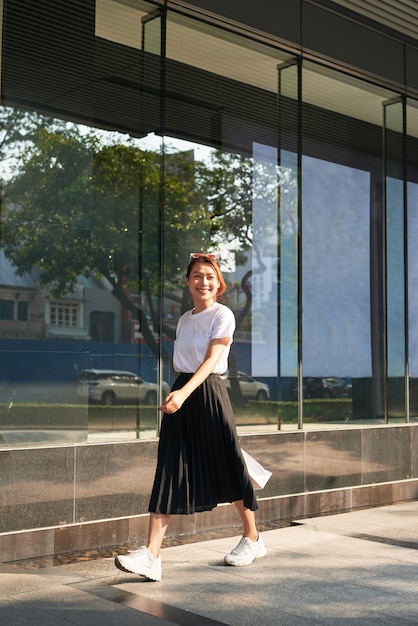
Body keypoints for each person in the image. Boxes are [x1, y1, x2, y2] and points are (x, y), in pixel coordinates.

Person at [115, 253, 266, 581]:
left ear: (219, 283)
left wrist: (185, 393)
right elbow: (184, 361)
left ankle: (252, 537)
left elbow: (213, 359)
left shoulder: (222, 314)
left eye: (210, 277)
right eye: (197, 276)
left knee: (228, 464)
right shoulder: (184, 319)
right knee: (170, 465)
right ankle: (152, 554)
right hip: (182, 389)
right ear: (187, 282)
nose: (203, 282)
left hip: (208, 391)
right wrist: (178, 391)